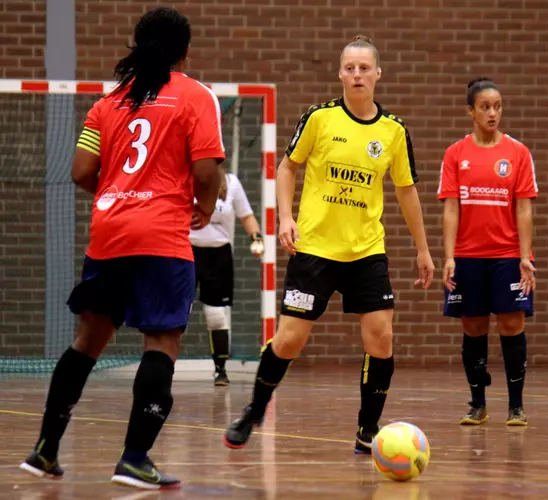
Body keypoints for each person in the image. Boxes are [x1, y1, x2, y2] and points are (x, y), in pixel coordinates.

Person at [18, 6, 224, 490]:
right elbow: (206, 171)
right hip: (161, 239)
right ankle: (134, 458)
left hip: (109, 235)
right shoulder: (196, 96)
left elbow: (81, 172)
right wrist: (206, 208)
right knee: (161, 343)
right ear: (185, 50)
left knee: (87, 342)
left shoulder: (108, 103)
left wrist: (118, 198)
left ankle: (45, 449)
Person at [223, 34, 435, 454]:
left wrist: (423, 248)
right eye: (350, 68)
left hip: (366, 251)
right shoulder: (319, 119)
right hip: (315, 248)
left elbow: (406, 191)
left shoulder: (393, 132)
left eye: (364, 68)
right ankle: (254, 409)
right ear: (340, 73)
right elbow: (287, 168)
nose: (357, 75)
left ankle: (367, 431)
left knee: (381, 337)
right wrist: (285, 218)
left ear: (378, 74)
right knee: (289, 340)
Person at [437, 78, 538, 427]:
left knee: (512, 325)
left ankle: (516, 406)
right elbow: (451, 209)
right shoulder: (455, 154)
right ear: (471, 111)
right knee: (474, 326)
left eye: (497, 106)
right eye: (485, 106)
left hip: (508, 255)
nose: (492, 112)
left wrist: (525, 257)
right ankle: (477, 403)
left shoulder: (518, 153)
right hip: (467, 256)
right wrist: (449, 257)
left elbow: (524, 209)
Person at [190, 165, 264, 386]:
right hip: (187, 251)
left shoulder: (231, 183)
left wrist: (256, 236)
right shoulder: (186, 178)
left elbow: (246, 215)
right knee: (177, 312)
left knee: (216, 315)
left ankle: (220, 370)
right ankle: (164, 364)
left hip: (219, 255)